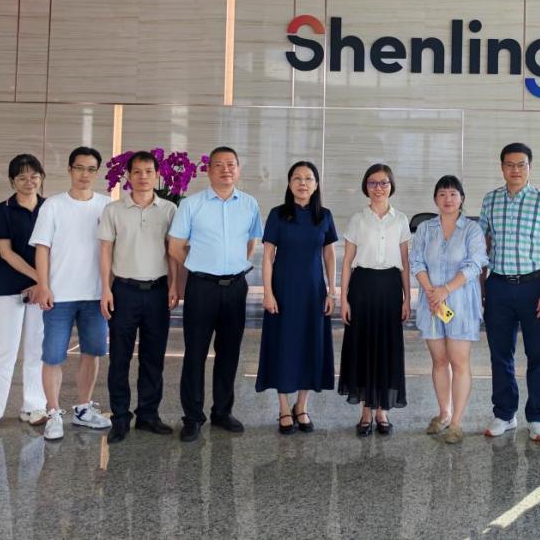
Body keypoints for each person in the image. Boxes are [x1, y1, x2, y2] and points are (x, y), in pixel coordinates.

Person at [168, 146, 262, 442]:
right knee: (195, 353)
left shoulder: (249, 204)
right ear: (208, 171)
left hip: (235, 287)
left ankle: (222, 412)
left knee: (229, 352)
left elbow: (251, 243)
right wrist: (200, 265)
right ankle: (193, 417)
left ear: (238, 169)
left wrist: (233, 266)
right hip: (202, 287)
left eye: (231, 164)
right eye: (219, 165)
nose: (225, 169)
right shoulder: (191, 204)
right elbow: (175, 246)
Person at [479, 143, 540, 442]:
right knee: (500, 354)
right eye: (510, 164)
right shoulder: (490, 200)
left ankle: (537, 417)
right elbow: (483, 244)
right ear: (502, 167)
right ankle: (505, 414)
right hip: (499, 286)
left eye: (521, 164)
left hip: (534, 287)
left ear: (530, 167)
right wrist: (481, 287)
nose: (515, 170)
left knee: (538, 354)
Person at [29, 146, 113, 440]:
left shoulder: (106, 206)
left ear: (97, 172)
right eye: (79, 168)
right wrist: (43, 285)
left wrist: (108, 288)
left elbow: (111, 250)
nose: (84, 174)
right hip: (59, 295)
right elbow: (42, 248)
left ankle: (83, 408)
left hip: (94, 295)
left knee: (93, 351)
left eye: (91, 169)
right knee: (53, 356)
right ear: (69, 169)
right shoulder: (53, 205)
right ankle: (53, 412)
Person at [97, 150, 179, 443]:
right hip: (124, 291)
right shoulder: (113, 210)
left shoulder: (169, 209)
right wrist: (105, 289)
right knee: (120, 357)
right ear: (128, 176)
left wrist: (173, 285)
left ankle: (148, 415)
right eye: (137, 172)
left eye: (148, 171)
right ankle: (120, 418)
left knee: (153, 357)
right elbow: (105, 251)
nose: (143, 177)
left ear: (157, 175)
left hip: (157, 291)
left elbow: (172, 251)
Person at [256, 161, 338, 435]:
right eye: (297, 178)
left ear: (316, 184)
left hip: (313, 293)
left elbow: (329, 255)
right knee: (283, 346)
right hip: (283, 292)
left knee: (309, 346)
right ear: (289, 183)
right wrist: (268, 292)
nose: (303, 183)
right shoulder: (278, 215)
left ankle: (301, 405)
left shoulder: (324, 216)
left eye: (308, 178)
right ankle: (283, 407)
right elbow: (268, 256)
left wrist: (332, 291)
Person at [410, 175, 488, 444]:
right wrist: (432, 292)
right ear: (435, 199)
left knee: (459, 362)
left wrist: (445, 290)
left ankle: (456, 422)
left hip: (461, 303)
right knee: (439, 361)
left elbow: (475, 263)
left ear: (462, 199)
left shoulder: (472, 229)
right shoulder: (425, 228)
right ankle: (443, 413)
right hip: (432, 304)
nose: (448, 199)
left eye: (453, 194)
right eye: (442, 194)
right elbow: (416, 261)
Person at [338, 163, 412, 437]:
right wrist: (343, 299)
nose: (378, 188)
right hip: (362, 287)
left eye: (384, 183)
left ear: (391, 186)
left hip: (390, 288)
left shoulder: (400, 219)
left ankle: (382, 411)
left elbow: (404, 262)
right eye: (373, 183)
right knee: (363, 347)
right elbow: (347, 261)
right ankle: (366, 412)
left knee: (386, 348)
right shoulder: (357, 219)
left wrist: (407, 298)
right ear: (365, 187)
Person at [0, 154, 49, 433]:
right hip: (9, 287)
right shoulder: (2, 210)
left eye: (34, 176)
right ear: (12, 181)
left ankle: (34, 406)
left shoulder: (50, 208)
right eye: (22, 177)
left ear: (41, 178)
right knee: (5, 350)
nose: (29, 182)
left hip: (41, 289)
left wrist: (43, 284)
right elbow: (6, 253)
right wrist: (40, 278)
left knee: (36, 349)